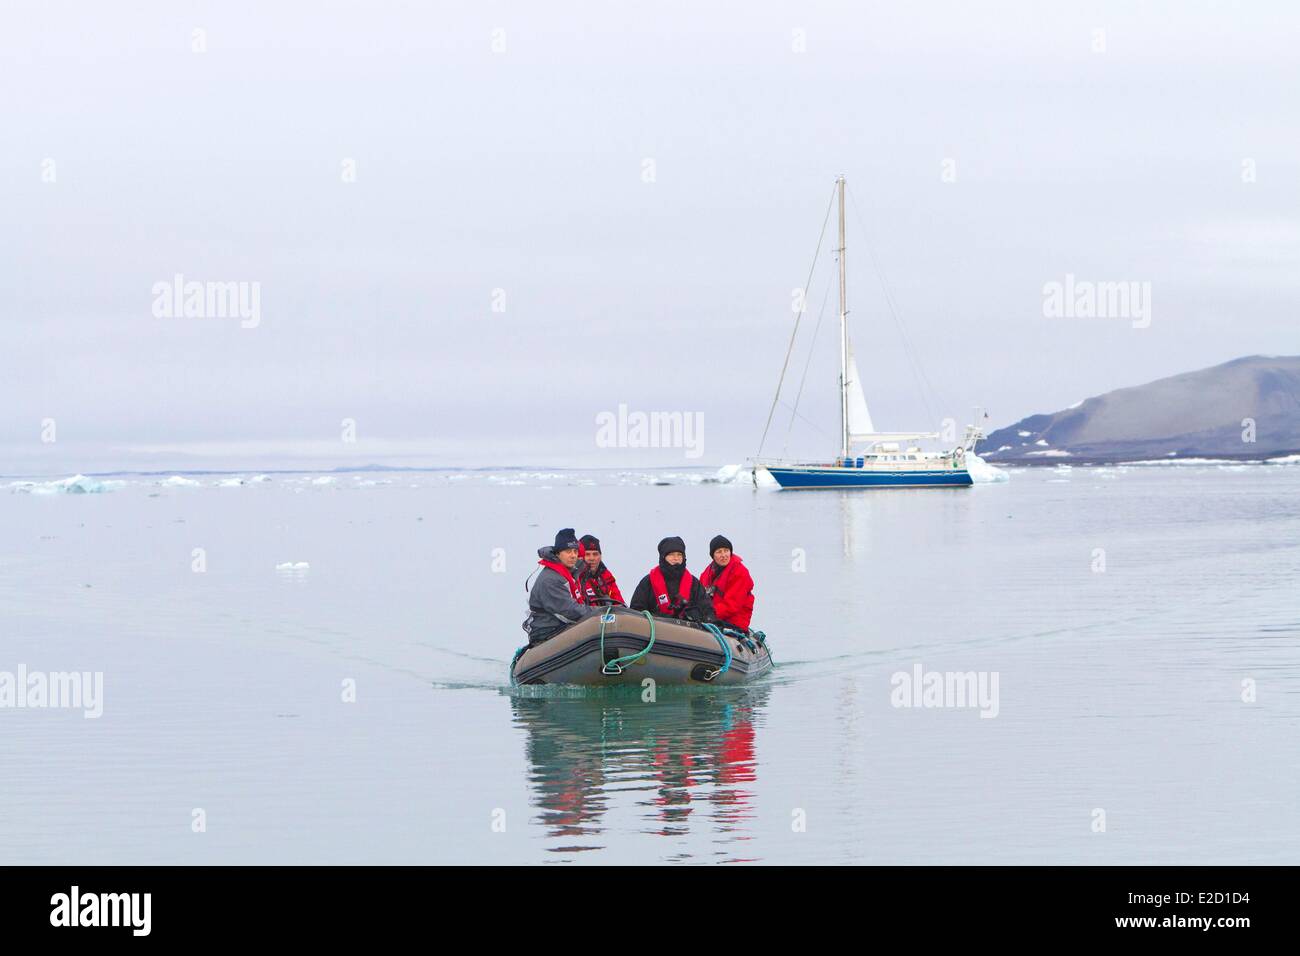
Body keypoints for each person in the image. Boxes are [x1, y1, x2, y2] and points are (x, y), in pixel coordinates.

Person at [522, 528, 599, 645]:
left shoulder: (570, 574)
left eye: (575, 551)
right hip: (547, 632)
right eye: (568, 551)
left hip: (562, 628)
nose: (573, 555)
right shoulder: (550, 580)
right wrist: (600, 612)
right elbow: (569, 610)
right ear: (558, 553)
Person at [628, 536, 716, 623]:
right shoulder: (648, 582)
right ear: (663, 557)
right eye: (671, 554)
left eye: (679, 555)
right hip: (655, 631)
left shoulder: (694, 584)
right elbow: (636, 610)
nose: (676, 558)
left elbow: (707, 610)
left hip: (688, 633)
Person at [699, 534, 755, 632]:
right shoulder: (707, 573)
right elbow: (699, 595)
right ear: (713, 555)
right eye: (719, 552)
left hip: (734, 623)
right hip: (714, 619)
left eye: (726, 550)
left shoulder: (740, 572)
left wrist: (709, 614)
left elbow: (732, 605)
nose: (724, 555)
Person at [576, 534, 624, 606]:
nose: (592, 558)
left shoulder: (606, 576)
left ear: (600, 557)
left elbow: (620, 603)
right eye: (587, 554)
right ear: (580, 556)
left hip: (607, 615)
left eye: (595, 554)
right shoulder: (575, 577)